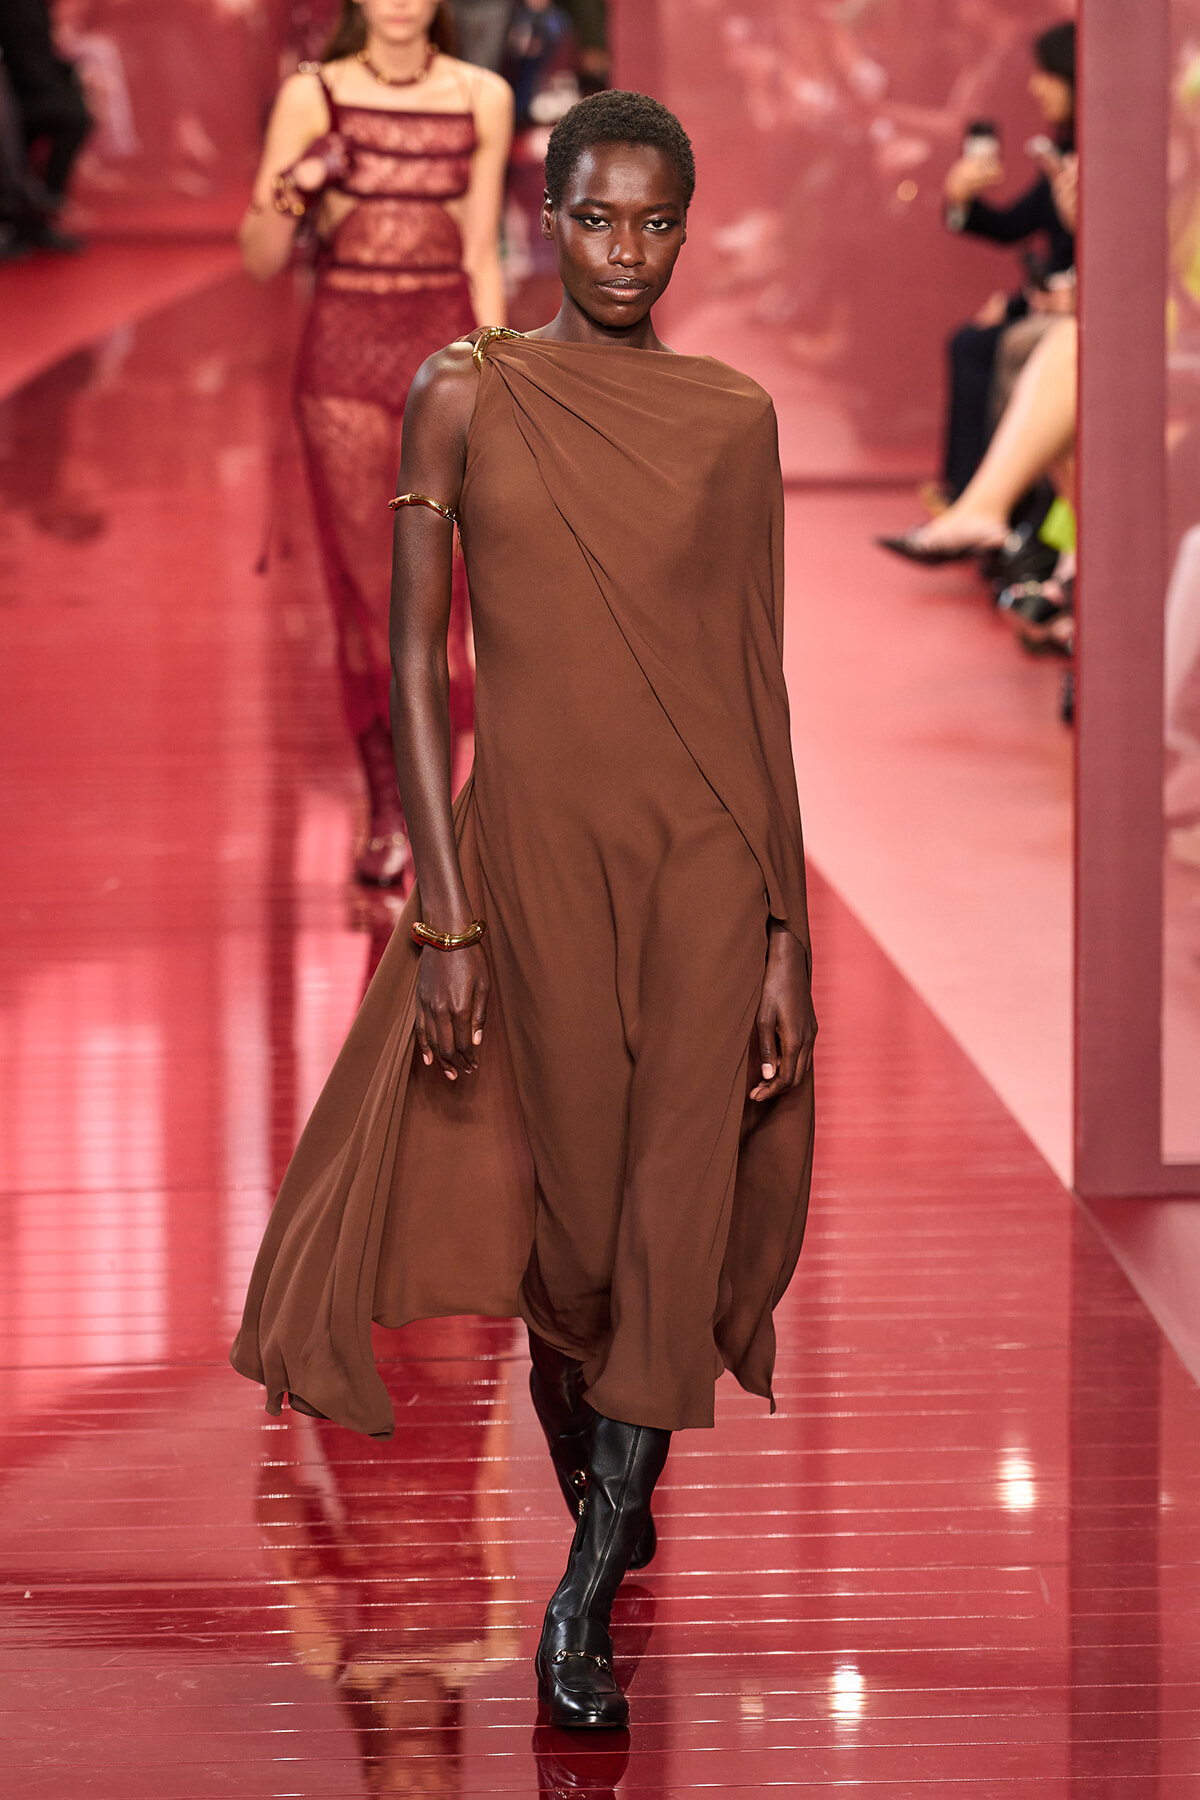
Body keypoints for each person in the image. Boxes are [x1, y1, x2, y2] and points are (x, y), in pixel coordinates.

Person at [232, 88, 817, 1731]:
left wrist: (783, 929)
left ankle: (584, 1584)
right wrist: (444, 911)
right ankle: (606, 1489)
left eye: (656, 221)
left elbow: (755, 684)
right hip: (534, 860)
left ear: (684, 231)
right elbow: (422, 658)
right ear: (542, 221)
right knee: (569, 1243)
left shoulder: (731, 418)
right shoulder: (463, 397)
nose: (628, 249)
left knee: (666, 1210)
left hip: (706, 864)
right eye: (598, 217)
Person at [240, 0, 512, 885]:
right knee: (371, 587)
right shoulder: (313, 94)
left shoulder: (483, 95)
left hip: (445, 349)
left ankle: (459, 812)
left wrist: (501, 368)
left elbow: (481, 249)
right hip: (344, 357)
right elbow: (258, 257)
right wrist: (296, 183)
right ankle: (390, 810)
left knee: (457, 587)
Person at [937, 19, 1076, 501]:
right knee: (971, 342)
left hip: (1074, 309)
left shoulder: (1099, 155)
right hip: (1051, 299)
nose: (1036, 86)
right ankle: (965, 493)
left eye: (1048, 74)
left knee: (999, 345)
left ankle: (997, 502)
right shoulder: (1061, 150)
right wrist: (961, 201)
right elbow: (1014, 226)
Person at [0, 0, 91, 253]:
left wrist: (74, 74)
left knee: (76, 115)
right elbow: (22, 56)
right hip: (22, 89)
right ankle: (21, 206)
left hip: (28, 89)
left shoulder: (38, 6)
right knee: (69, 113)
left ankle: (40, 213)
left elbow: (39, 52)